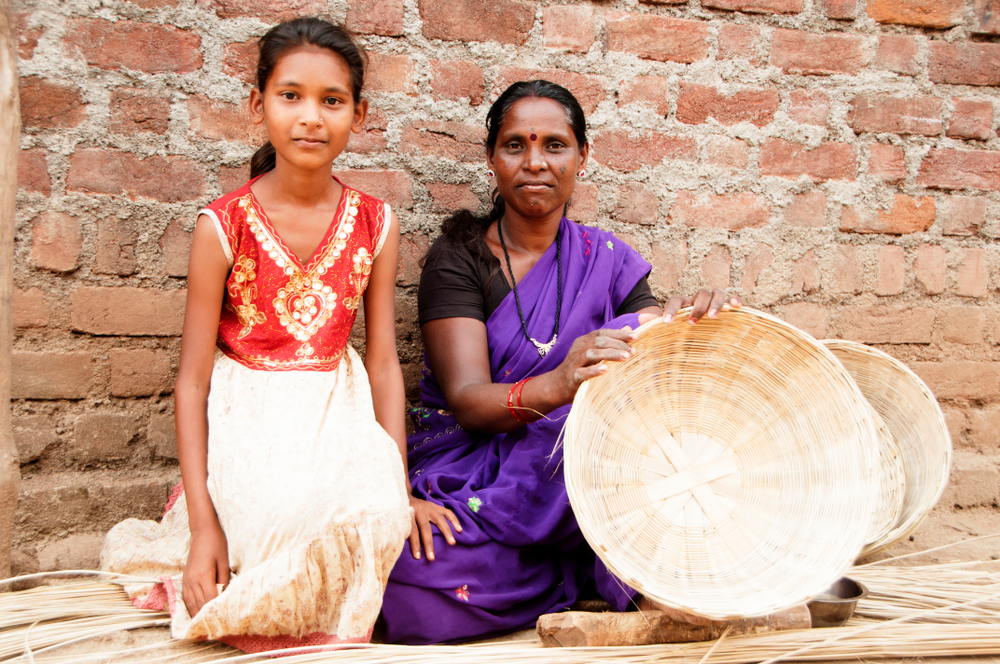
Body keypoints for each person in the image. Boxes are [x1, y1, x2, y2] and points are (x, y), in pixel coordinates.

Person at [380, 80, 740, 645]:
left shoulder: (608, 259)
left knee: (632, 359)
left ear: (582, 156)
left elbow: (653, 369)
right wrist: (558, 383)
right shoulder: (460, 257)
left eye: (554, 144)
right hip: (474, 470)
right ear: (491, 158)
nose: (535, 162)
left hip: (580, 478)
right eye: (515, 145)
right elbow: (470, 402)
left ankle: (577, 561)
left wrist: (692, 323)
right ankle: (580, 573)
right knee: (409, 577)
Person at [99, 18, 412, 653]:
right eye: (289, 95)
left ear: (359, 113)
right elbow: (192, 378)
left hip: (335, 406)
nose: (310, 118)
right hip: (247, 410)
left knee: (369, 518)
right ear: (258, 103)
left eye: (332, 101)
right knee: (278, 519)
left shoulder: (377, 224)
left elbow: (382, 362)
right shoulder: (222, 226)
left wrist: (396, 481)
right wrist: (203, 527)